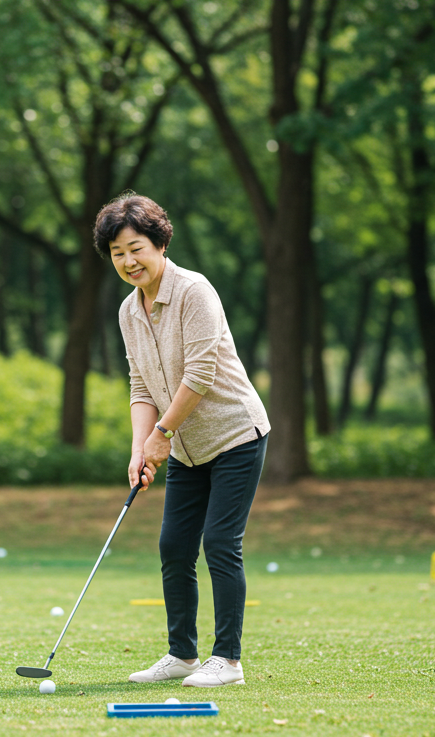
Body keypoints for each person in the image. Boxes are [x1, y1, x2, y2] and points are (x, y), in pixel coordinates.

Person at [95, 192, 270, 688]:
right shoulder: (130, 311)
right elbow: (140, 384)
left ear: (160, 244)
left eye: (136, 249)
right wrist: (140, 446)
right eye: (117, 254)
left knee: (219, 542)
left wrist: (162, 434)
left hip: (234, 432)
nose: (128, 261)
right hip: (185, 447)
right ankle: (182, 655)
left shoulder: (195, 291)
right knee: (174, 546)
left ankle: (229, 661)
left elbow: (201, 372)